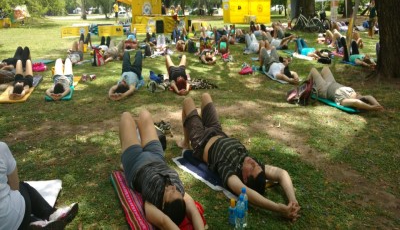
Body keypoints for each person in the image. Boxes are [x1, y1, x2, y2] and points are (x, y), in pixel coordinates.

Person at [177, 93, 301, 221]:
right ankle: (194, 130)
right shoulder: (252, 163)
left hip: (201, 140)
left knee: (187, 101)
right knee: (205, 96)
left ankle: (186, 142)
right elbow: (282, 174)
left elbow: (247, 193)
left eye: (252, 167)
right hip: (217, 130)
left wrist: (278, 208)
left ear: (245, 178)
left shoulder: (230, 172)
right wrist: (293, 200)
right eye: (256, 164)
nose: (254, 162)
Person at [119, 110, 205, 229]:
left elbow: (164, 221)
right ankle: (136, 128)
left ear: (163, 205)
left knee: (125, 116)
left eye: (170, 192)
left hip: (135, 164)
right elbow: (194, 212)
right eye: (176, 191)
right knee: (145, 115)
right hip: (156, 155)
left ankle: (124, 162)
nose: (173, 187)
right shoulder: (178, 194)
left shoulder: (152, 202)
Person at [0, 141, 78, 229]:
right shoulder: (1, 149)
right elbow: (15, 187)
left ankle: (36, 224)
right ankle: (50, 214)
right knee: (23, 187)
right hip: (13, 216)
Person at [308, 67, 384, 111]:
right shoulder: (355, 95)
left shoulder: (344, 100)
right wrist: (377, 106)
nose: (359, 94)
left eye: (359, 95)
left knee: (313, 70)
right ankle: (314, 84)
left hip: (324, 89)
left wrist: (370, 108)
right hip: (332, 82)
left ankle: (306, 87)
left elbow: (355, 102)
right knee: (325, 68)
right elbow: (369, 96)